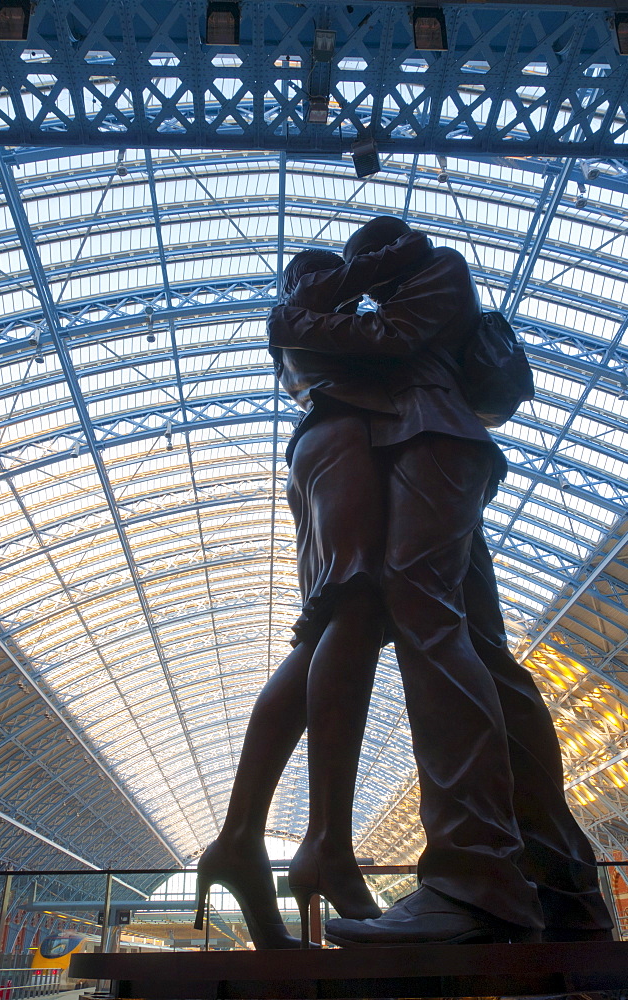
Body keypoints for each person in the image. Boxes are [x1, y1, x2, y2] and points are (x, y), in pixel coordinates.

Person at [268, 216, 614, 946]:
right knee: (483, 652)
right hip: (434, 452)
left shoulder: (436, 271)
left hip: (434, 442)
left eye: (363, 260)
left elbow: (381, 340)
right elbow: (320, 347)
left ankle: (475, 879)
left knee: (420, 611)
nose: (355, 275)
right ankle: (562, 888)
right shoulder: (389, 292)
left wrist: (340, 298)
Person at [195, 243, 422, 948]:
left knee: (330, 626)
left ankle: (239, 841)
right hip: (343, 445)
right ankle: (325, 842)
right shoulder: (299, 313)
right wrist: (395, 259)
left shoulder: (312, 337)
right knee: (353, 605)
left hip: (322, 452)